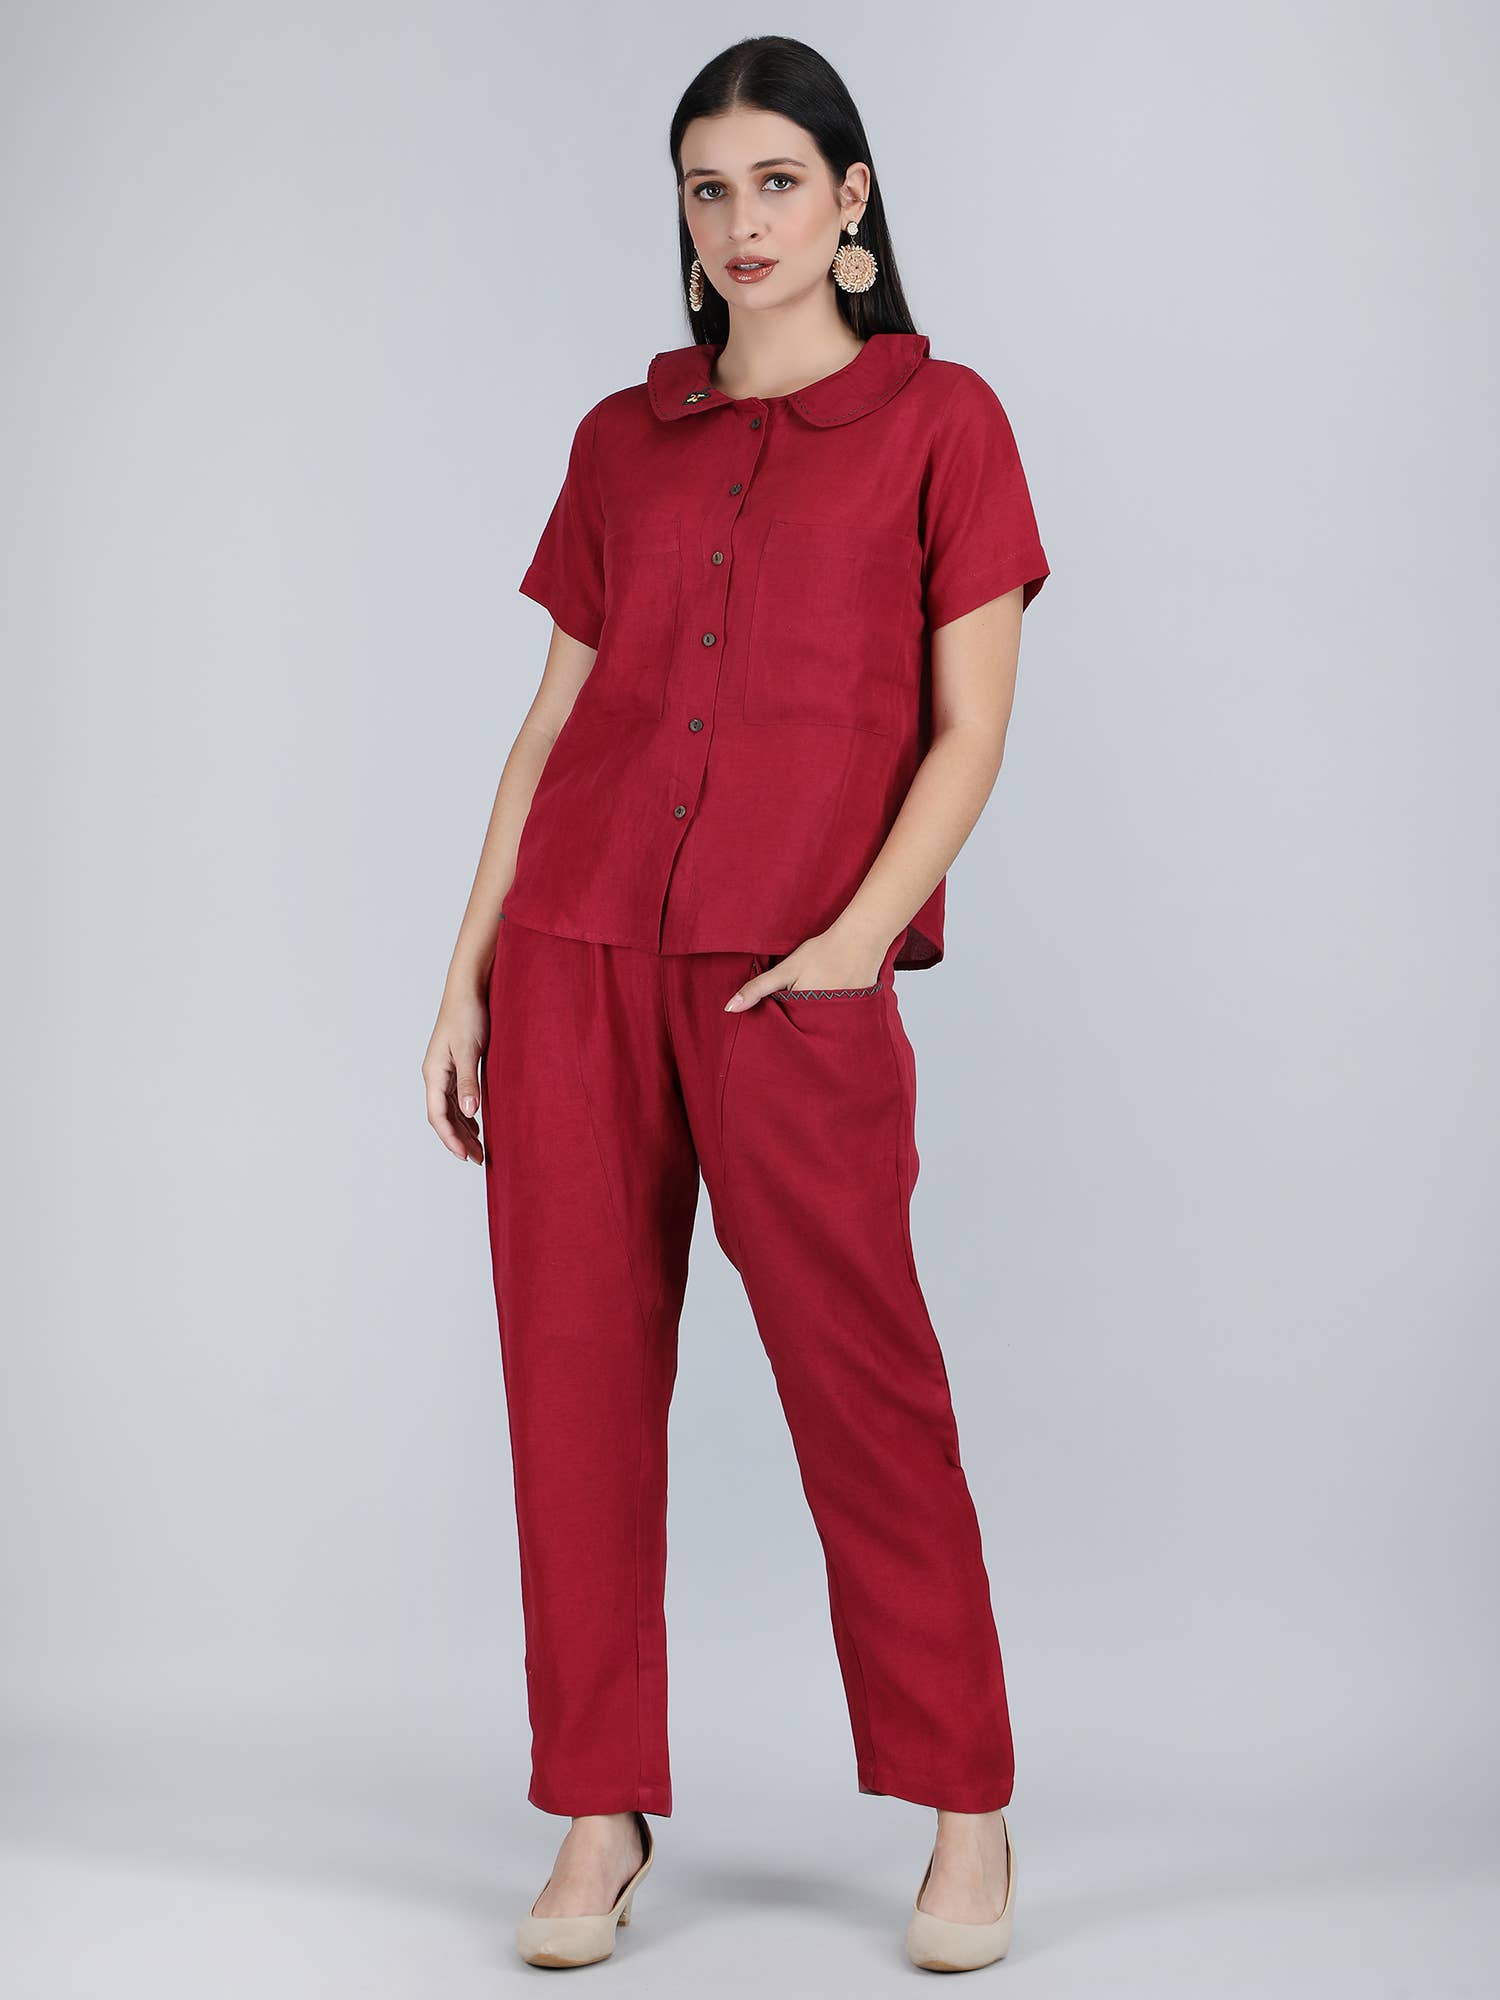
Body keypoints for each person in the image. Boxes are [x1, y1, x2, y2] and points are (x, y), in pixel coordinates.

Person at [422, 34, 1049, 1975]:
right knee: (574, 1387)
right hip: (578, 954)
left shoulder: (944, 422)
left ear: (852, 200)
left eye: (780, 180)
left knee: (868, 1386)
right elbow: (552, 725)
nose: (743, 221)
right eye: (711, 188)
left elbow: (969, 727)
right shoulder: (625, 439)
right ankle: (597, 1811)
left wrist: (860, 937)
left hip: (795, 974)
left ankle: (966, 1807)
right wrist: (466, 974)